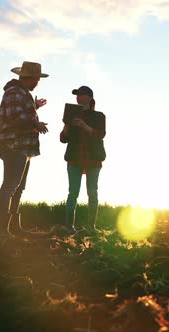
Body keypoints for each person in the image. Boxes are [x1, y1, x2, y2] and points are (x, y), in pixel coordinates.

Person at [0, 61, 49, 239]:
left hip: (22, 145)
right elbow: (15, 116)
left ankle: (13, 228)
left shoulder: (20, 93)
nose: (38, 83)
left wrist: (35, 107)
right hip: (13, 144)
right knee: (10, 185)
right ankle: (2, 230)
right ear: (30, 78)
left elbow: (19, 111)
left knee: (18, 187)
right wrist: (35, 122)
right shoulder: (14, 92)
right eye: (37, 79)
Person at [60, 86, 106, 232]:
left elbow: (100, 134)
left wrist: (83, 125)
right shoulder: (71, 114)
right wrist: (67, 125)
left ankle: (91, 227)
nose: (78, 97)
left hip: (93, 159)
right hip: (74, 159)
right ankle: (69, 227)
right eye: (77, 95)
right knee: (73, 193)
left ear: (89, 97)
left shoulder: (99, 116)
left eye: (81, 94)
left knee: (92, 193)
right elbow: (63, 139)